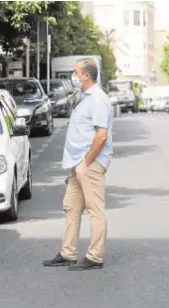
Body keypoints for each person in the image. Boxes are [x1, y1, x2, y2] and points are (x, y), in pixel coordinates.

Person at [43, 58, 113, 271]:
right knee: (71, 207)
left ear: (86, 75)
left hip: (89, 163)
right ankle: (68, 252)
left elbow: (101, 135)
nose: (73, 77)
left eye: (75, 72)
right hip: (77, 164)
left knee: (95, 209)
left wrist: (87, 162)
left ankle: (95, 256)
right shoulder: (84, 97)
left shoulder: (98, 99)